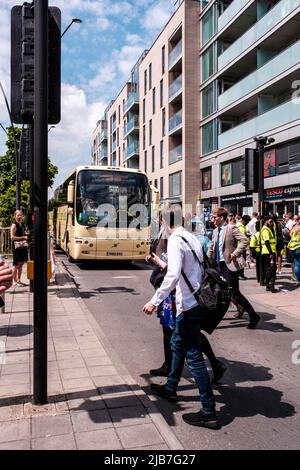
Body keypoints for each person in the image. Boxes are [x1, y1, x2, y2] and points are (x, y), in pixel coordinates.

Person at [143, 205, 220, 429]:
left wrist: (153, 301)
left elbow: (174, 275)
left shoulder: (176, 239)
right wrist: (159, 263)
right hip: (196, 301)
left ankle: (208, 411)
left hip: (187, 306)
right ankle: (170, 387)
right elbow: (185, 268)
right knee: (177, 345)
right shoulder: (191, 237)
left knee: (194, 358)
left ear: (166, 221)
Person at [207, 207, 260, 329]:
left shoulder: (231, 228)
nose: (212, 219)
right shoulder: (215, 231)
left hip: (229, 265)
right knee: (220, 292)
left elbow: (245, 241)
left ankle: (253, 315)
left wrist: (236, 253)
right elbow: (212, 246)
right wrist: (207, 259)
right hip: (218, 265)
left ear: (221, 218)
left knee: (235, 293)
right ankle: (214, 318)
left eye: (214, 217)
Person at [10, 210, 28, 287]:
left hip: (22, 246)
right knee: (16, 264)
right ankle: (14, 281)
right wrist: (23, 237)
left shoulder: (22, 224)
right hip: (16, 247)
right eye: (18, 215)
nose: (20, 217)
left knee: (21, 264)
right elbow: (12, 237)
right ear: (15, 216)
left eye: (21, 215)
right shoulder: (14, 225)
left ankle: (19, 280)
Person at [260, 216, 278, 293]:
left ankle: (268, 285)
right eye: (270, 222)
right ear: (265, 222)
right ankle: (271, 286)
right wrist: (271, 253)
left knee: (270, 269)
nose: (272, 223)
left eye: (272, 222)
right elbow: (267, 242)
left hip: (269, 251)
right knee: (272, 269)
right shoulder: (265, 229)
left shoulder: (268, 229)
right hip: (268, 252)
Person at [288, 222, 300, 287]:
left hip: (292, 247)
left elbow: (289, 234)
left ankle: (298, 281)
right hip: (299, 247)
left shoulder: (294, 228)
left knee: (296, 264)